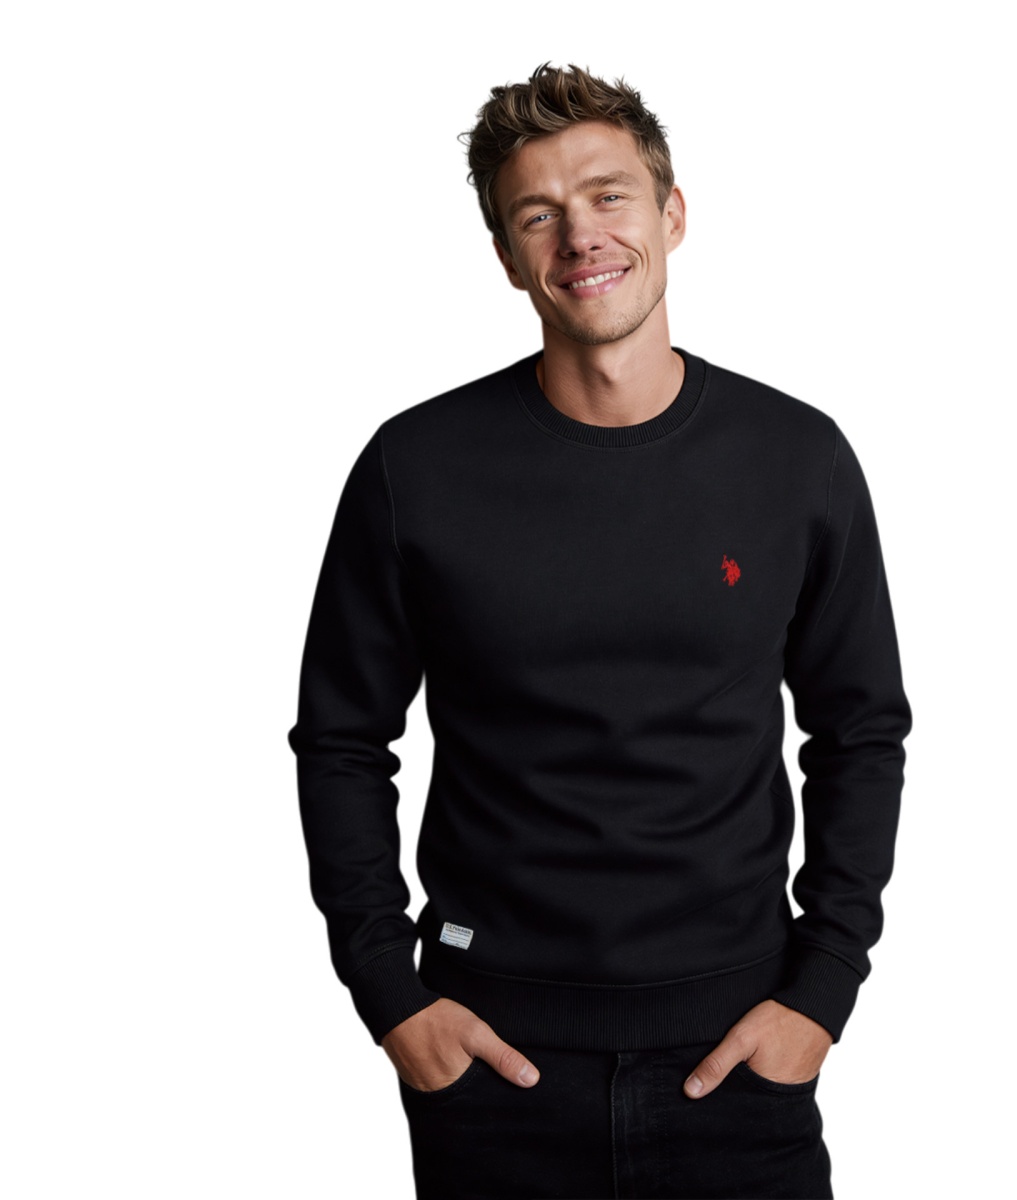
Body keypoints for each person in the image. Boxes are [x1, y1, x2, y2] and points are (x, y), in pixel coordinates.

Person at [286, 62, 912, 1200]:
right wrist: (390, 994)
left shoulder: (796, 459)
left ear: (673, 214)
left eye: (609, 195)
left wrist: (822, 991)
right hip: (494, 1067)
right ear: (506, 255)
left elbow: (860, 731)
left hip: (740, 1056)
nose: (581, 235)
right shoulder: (414, 468)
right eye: (539, 214)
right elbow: (340, 739)